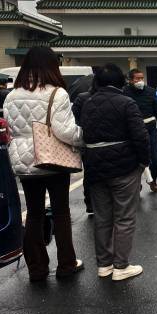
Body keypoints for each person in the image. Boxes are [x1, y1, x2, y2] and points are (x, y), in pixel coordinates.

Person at [3, 46, 83, 282]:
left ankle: (37, 268)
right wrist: (82, 137)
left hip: (24, 161)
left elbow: (9, 128)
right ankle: (66, 264)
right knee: (61, 212)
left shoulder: (12, 94)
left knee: (34, 213)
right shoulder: (57, 93)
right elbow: (64, 130)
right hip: (51, 159)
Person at [79, 64, 149, 281]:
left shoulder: (85, 102)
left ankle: (104, 265)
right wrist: (143, 163)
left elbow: (80, 133)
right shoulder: (126, 102)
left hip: (95, 167)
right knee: (124, 217)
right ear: (121, 82)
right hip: (124, 166)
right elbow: (140, 136)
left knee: (102, 218)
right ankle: (121, 266)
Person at [124, 69, 157, 193]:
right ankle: (136, 183)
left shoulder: (150, 91)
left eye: (141, 78)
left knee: (156, 159)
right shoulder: (125, 93)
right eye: (137, 79)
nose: (140, 81)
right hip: (132, 131)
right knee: (134, 161)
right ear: (131, 80)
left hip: (150, 129)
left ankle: (153, 180)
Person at [72, 80, 96, 215]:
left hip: (86, 141)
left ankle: (90, 202)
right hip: (105, 141)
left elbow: (73, 118)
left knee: (89, 173)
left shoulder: (81, 97)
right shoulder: (110, 97)